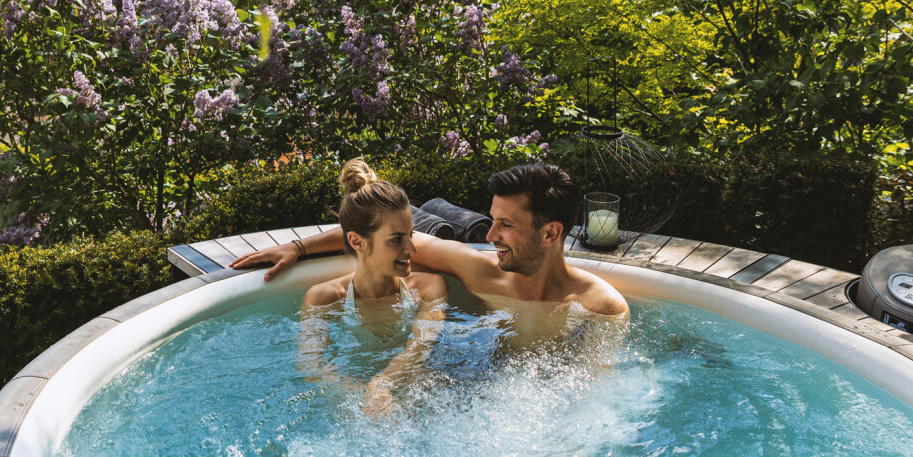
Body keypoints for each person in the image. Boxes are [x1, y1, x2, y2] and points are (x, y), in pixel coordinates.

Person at [235, 162, 628, 350]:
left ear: (551, 233)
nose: (489, 236)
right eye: (492, 221)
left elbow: (591, 402)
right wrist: (298, 247)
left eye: (506, 225)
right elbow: (380, 235)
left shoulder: (600, 308)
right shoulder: (480, 271)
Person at [296, 159, 447, 417]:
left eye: (410, 234)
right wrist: (366, 397)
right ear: (357, 242)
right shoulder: (322, 298)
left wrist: (382, 385)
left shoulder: (429, 289)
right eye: (396, 239)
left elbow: (420, 348)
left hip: (418, 397)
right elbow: (312, 366)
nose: (412, 249)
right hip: (353, 401)